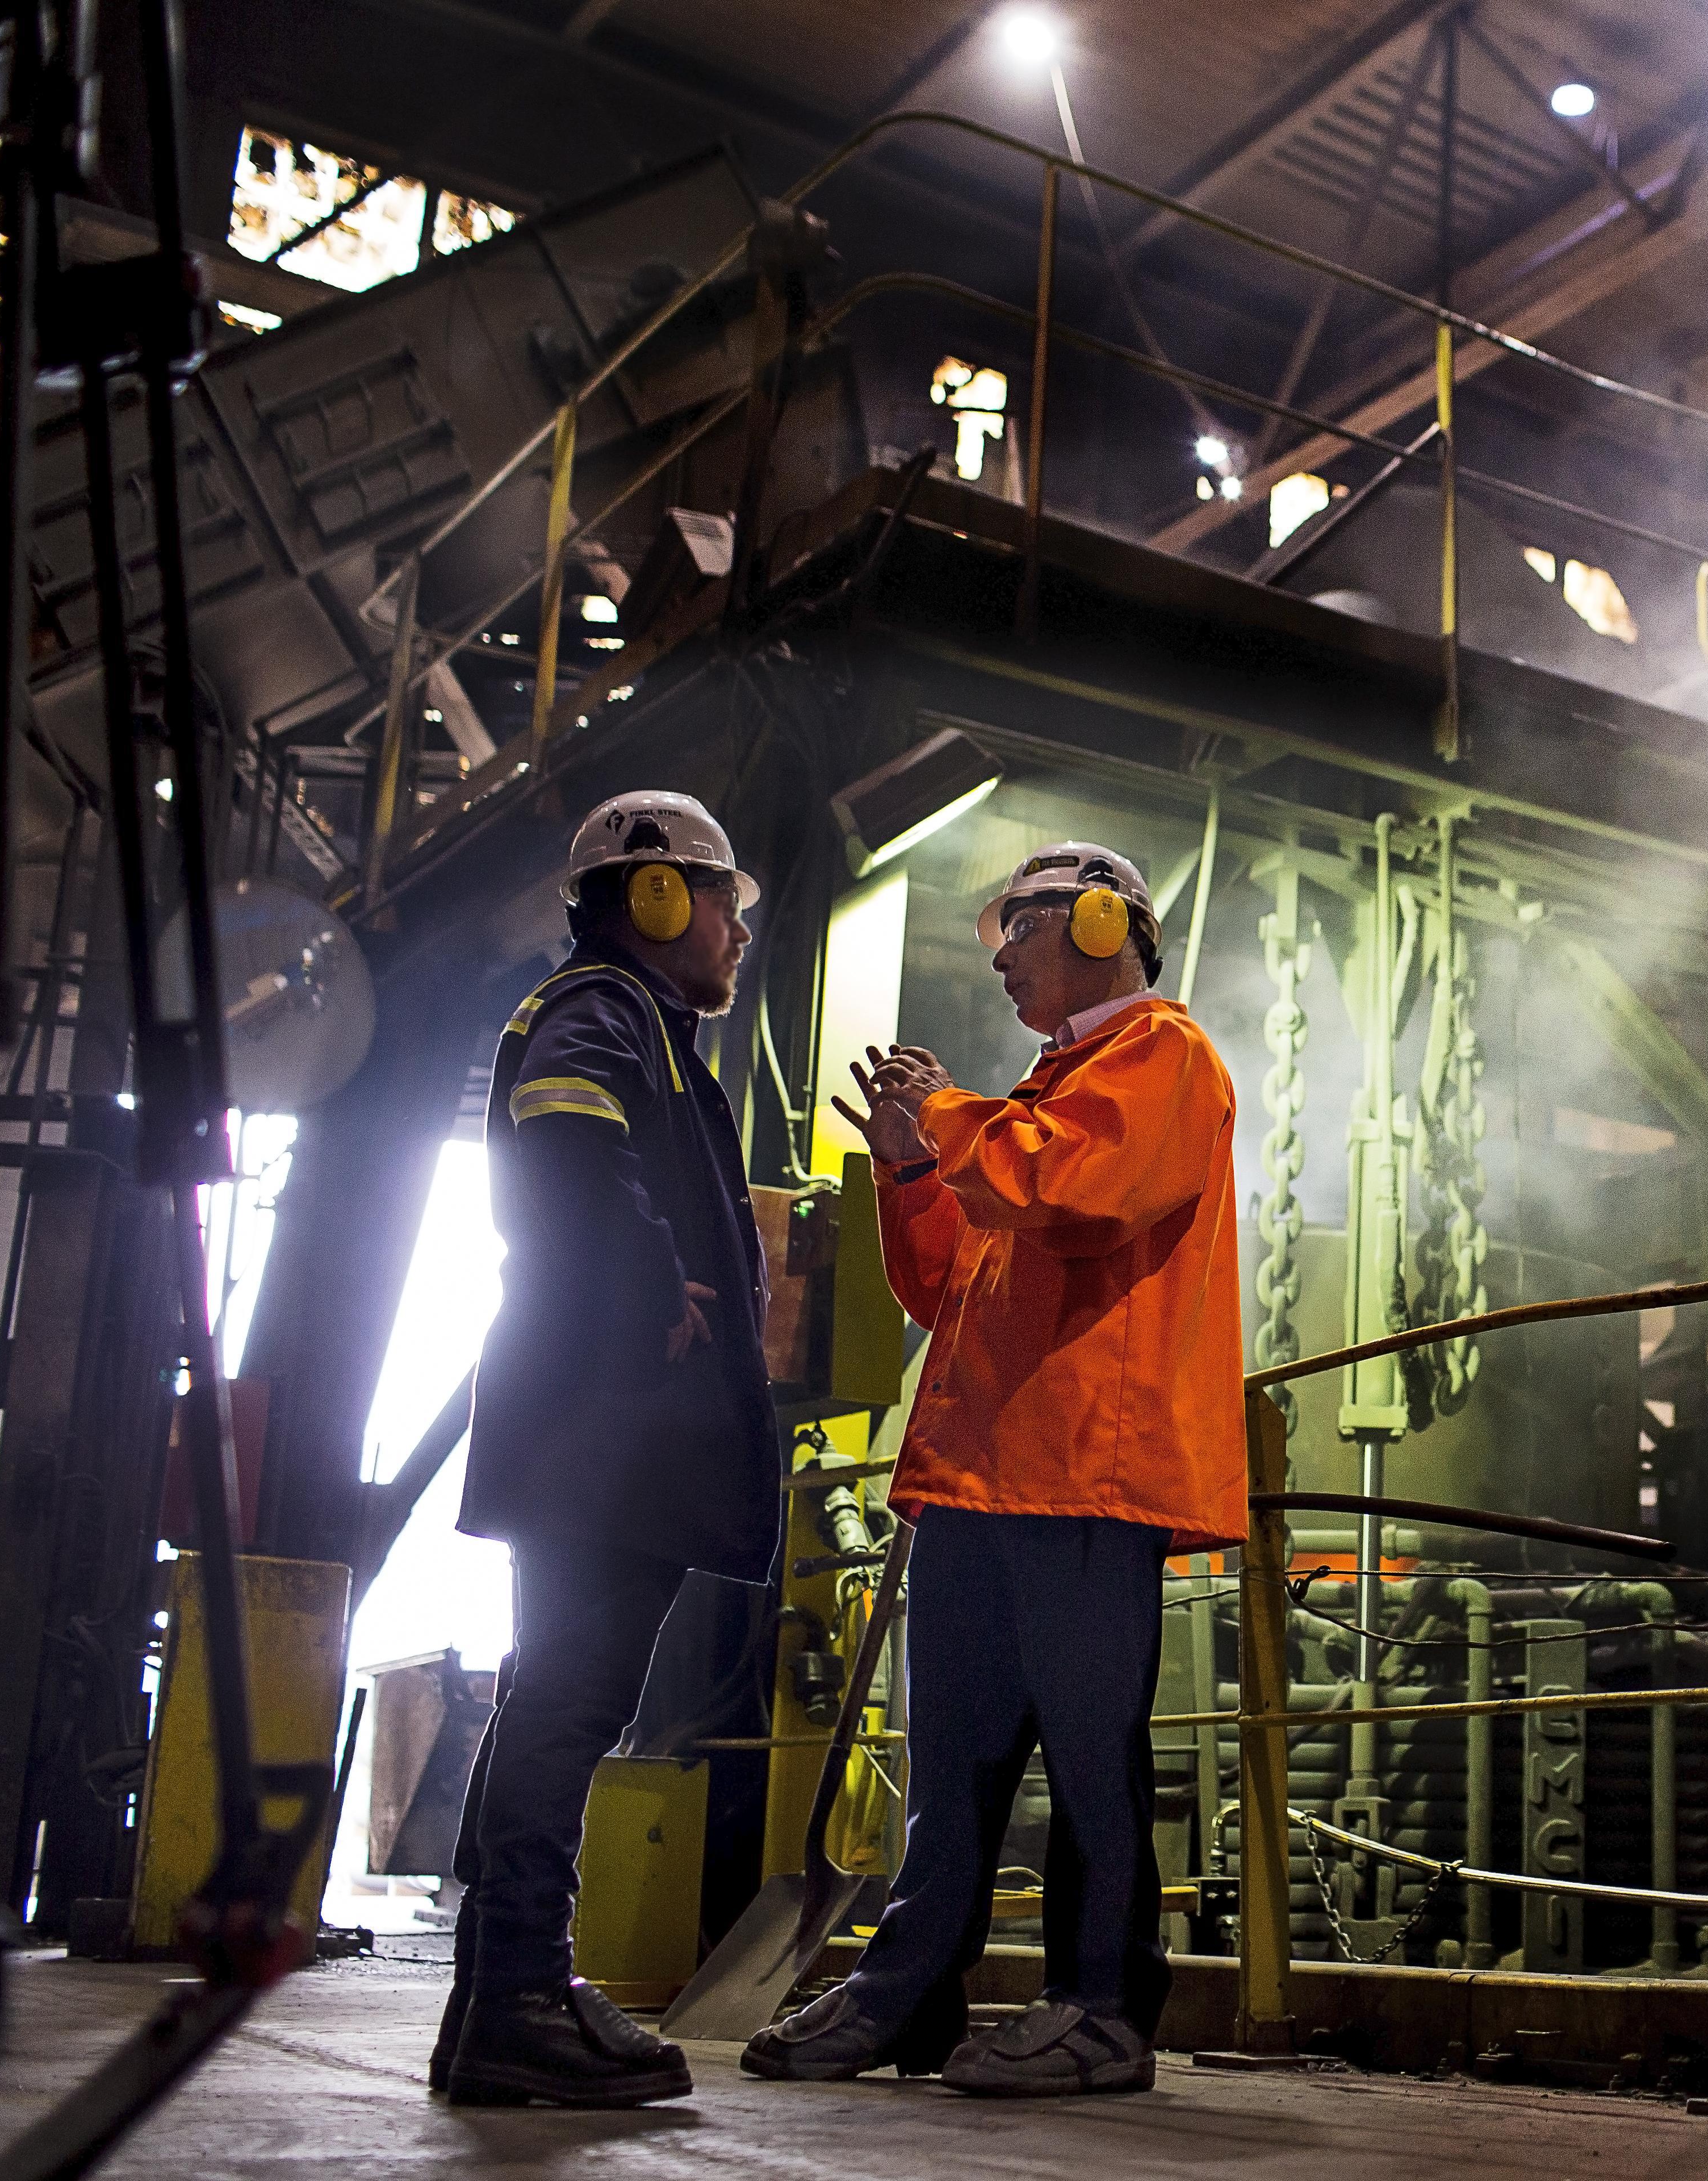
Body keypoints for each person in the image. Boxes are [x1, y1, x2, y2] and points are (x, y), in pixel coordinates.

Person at [744, 839, 1245, 2096]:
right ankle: (907, 1994)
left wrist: (952, 1119)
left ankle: (1104, 2009)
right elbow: (948, 1278)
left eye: (1016, 929)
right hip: (983, 1479)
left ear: (1094, 919)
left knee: (1090, 1757)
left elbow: (1077, 1196)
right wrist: (914, 1165)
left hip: (1083, 1477)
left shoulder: (1164, 1059)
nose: (1002, 956)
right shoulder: (1048, 1090)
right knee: (952, 1765)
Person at [433, 791, 775, 2108]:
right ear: (655, 899)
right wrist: (652, 1286)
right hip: (604, 1425)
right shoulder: (603, 1009)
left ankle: (499, 1997)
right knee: (574, 1694)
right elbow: (568, 1133)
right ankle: (519, 1996)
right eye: (725, 903)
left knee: (558, 1690)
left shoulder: (635, 1020)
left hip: (592, 1425)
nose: (738, 931)